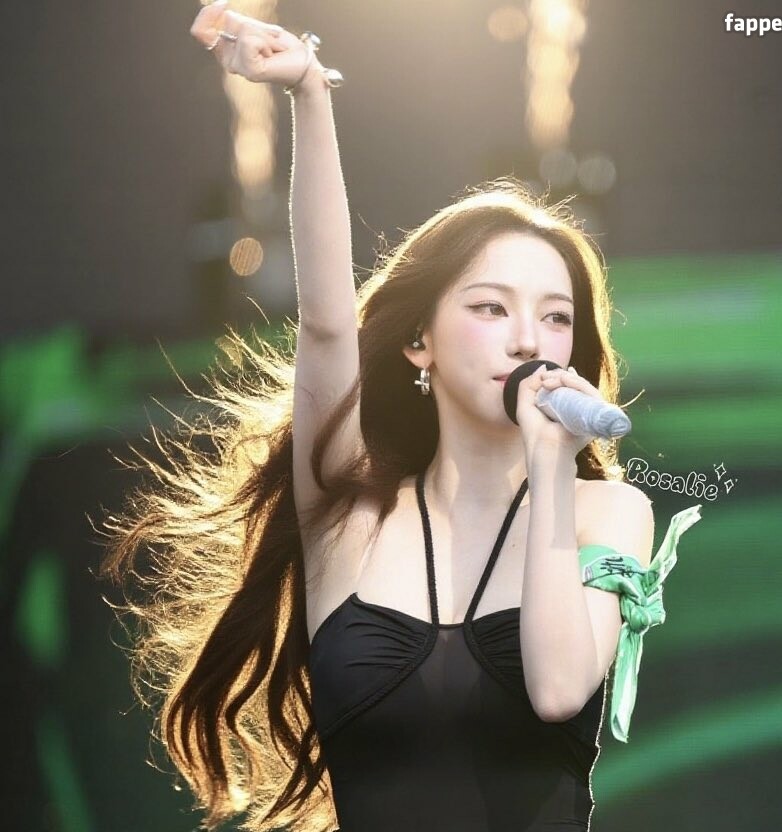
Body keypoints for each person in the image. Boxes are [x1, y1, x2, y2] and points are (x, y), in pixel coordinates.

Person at [97, 3, 702, 832]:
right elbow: (325, 326)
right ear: (419, 342)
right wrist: (310, 93)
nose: (528, 338)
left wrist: (551, 467)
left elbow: (559, 690)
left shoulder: (605, 512)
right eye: (490, 308)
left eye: (556, 317)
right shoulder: (346, 513)